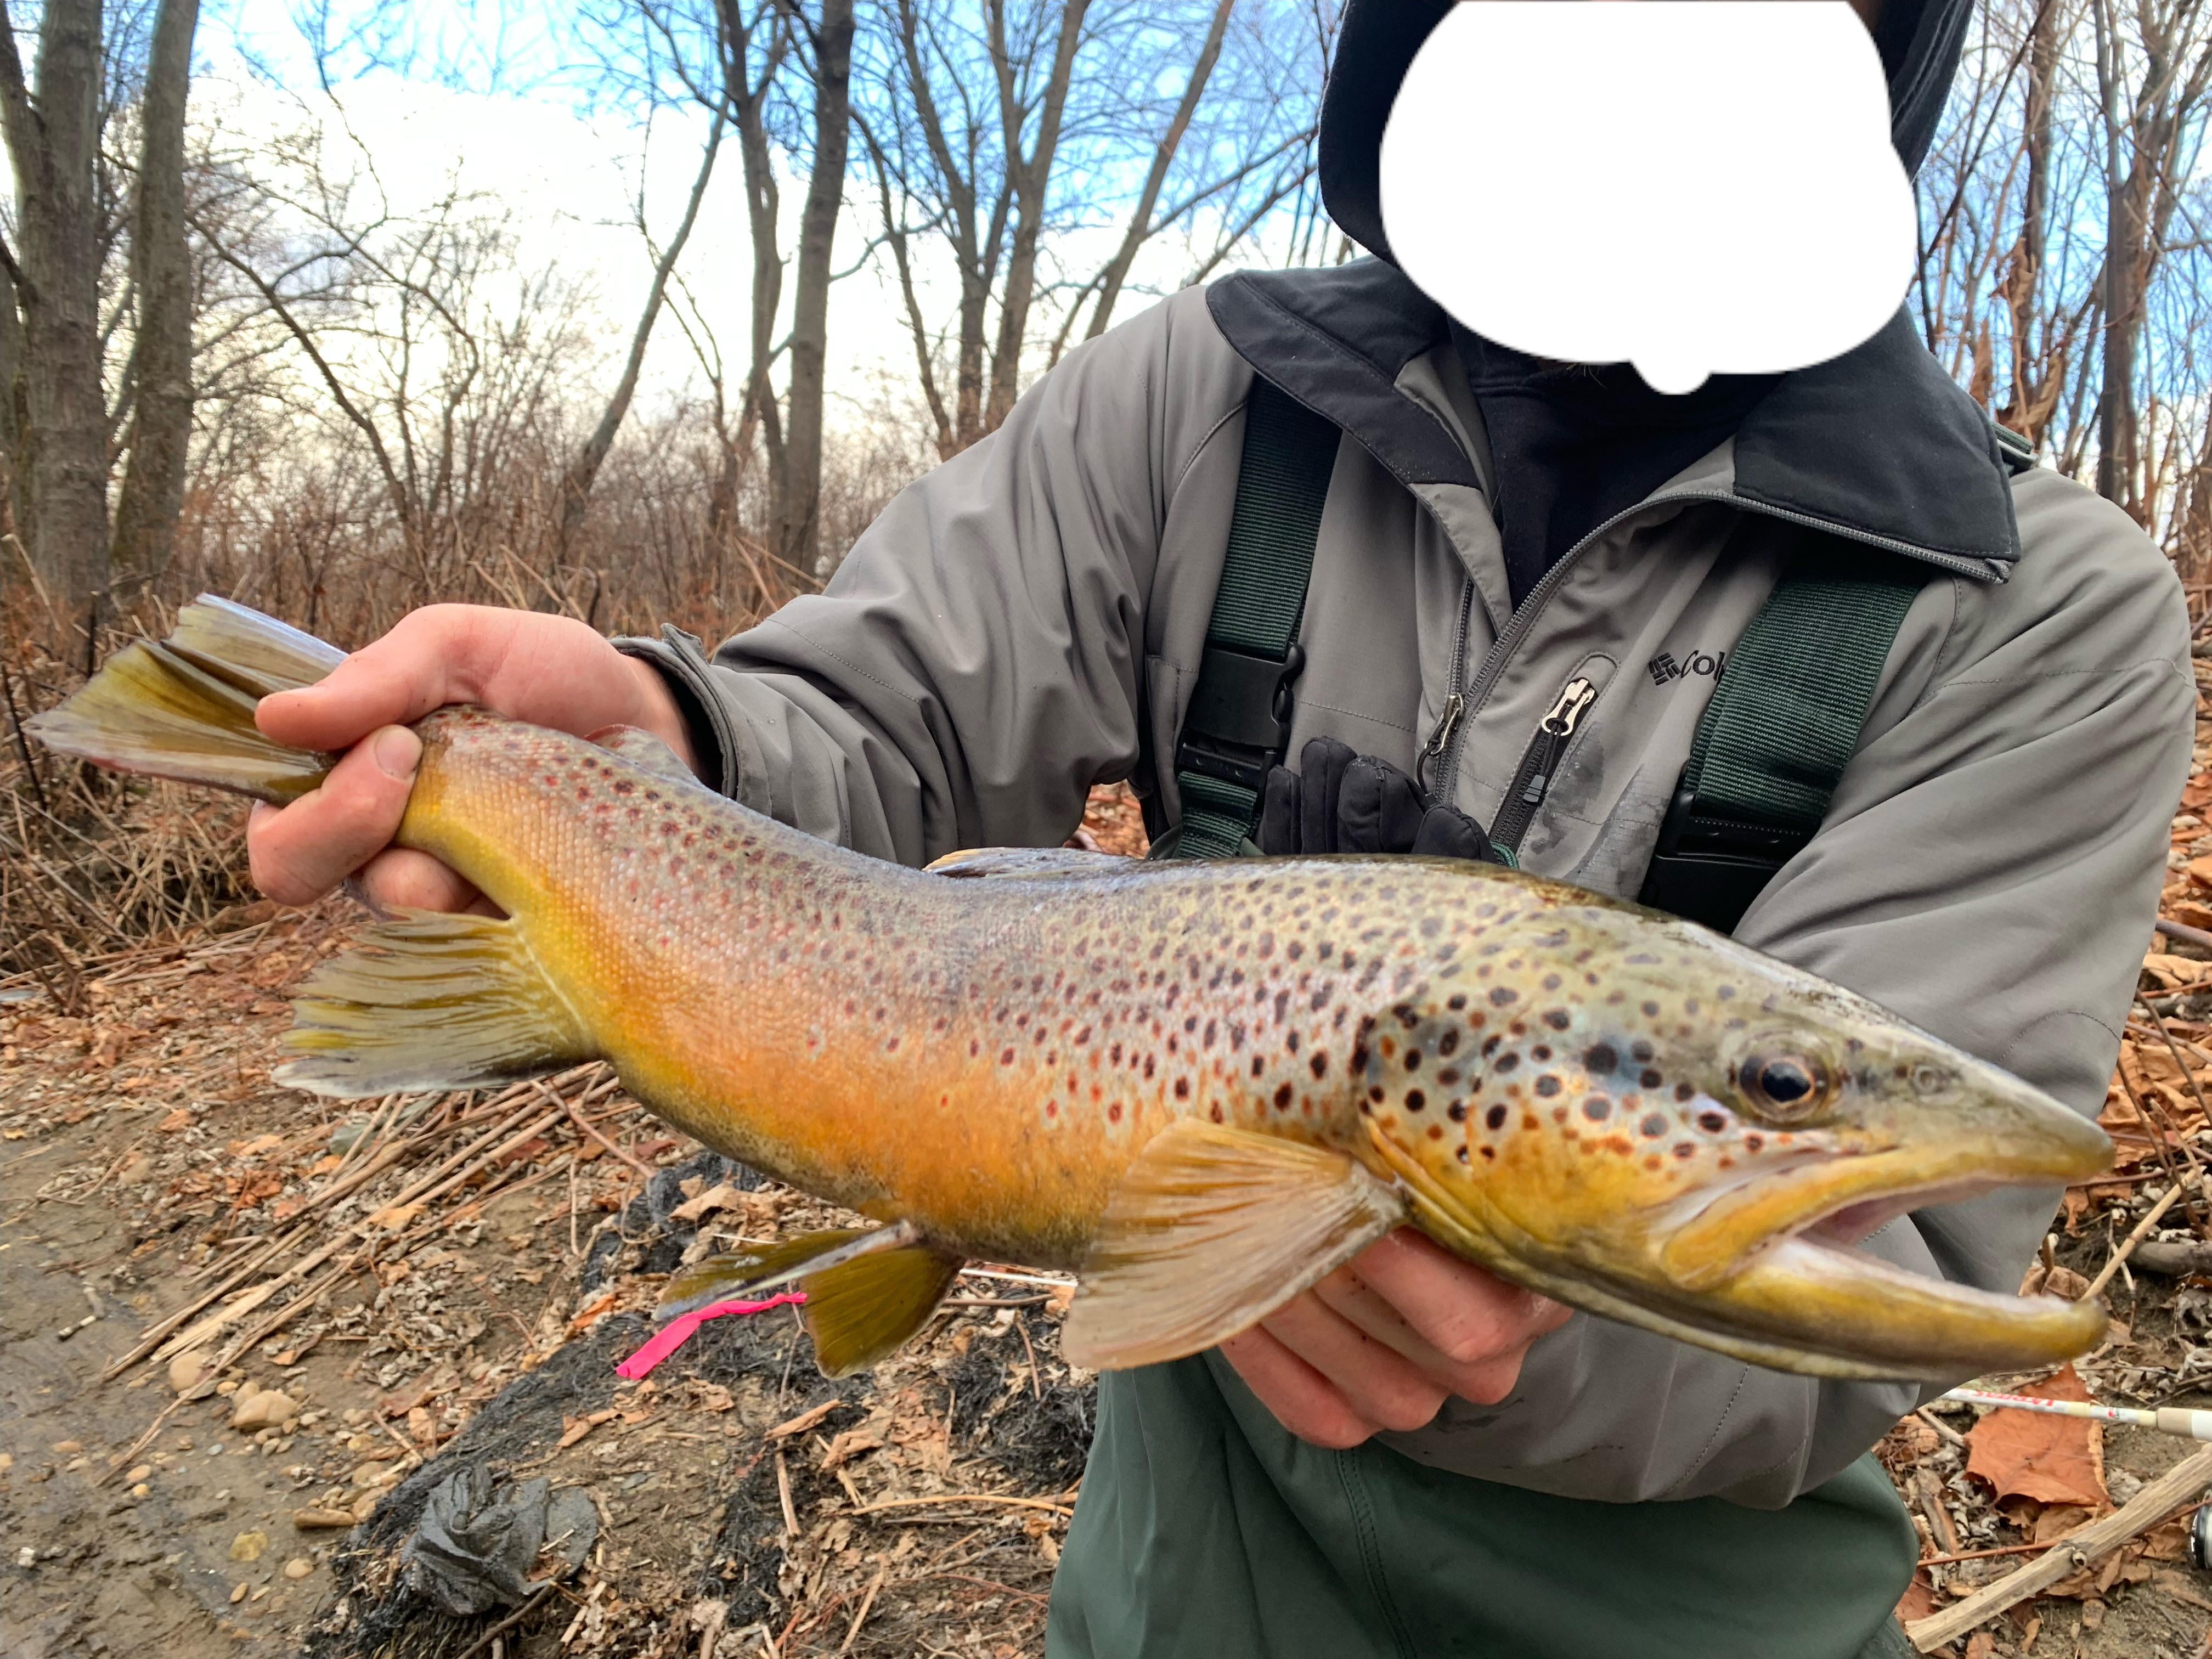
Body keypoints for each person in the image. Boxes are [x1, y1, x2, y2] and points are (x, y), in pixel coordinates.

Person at [241, 1, 2192, 1653]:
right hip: (1177, 1588)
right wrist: (675, 736)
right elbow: (879, 711)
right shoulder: (1211, 397)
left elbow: (1910, 1269)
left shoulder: (2038, 605)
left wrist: (1508, 1303)